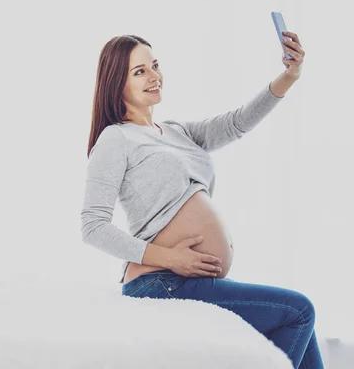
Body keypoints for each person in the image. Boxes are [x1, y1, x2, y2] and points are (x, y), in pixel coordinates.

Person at [80, 34, 324, 368]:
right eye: (139, 72)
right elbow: (93, 227)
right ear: (115, 82)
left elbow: (238, 122)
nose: (154, 76)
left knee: (299, 322)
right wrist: (170, 258)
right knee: (298, 311)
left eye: (155, 65)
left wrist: (289, 76)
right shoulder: (115, 138)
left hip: (185, 279)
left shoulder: (176, 131)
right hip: (159, 282)